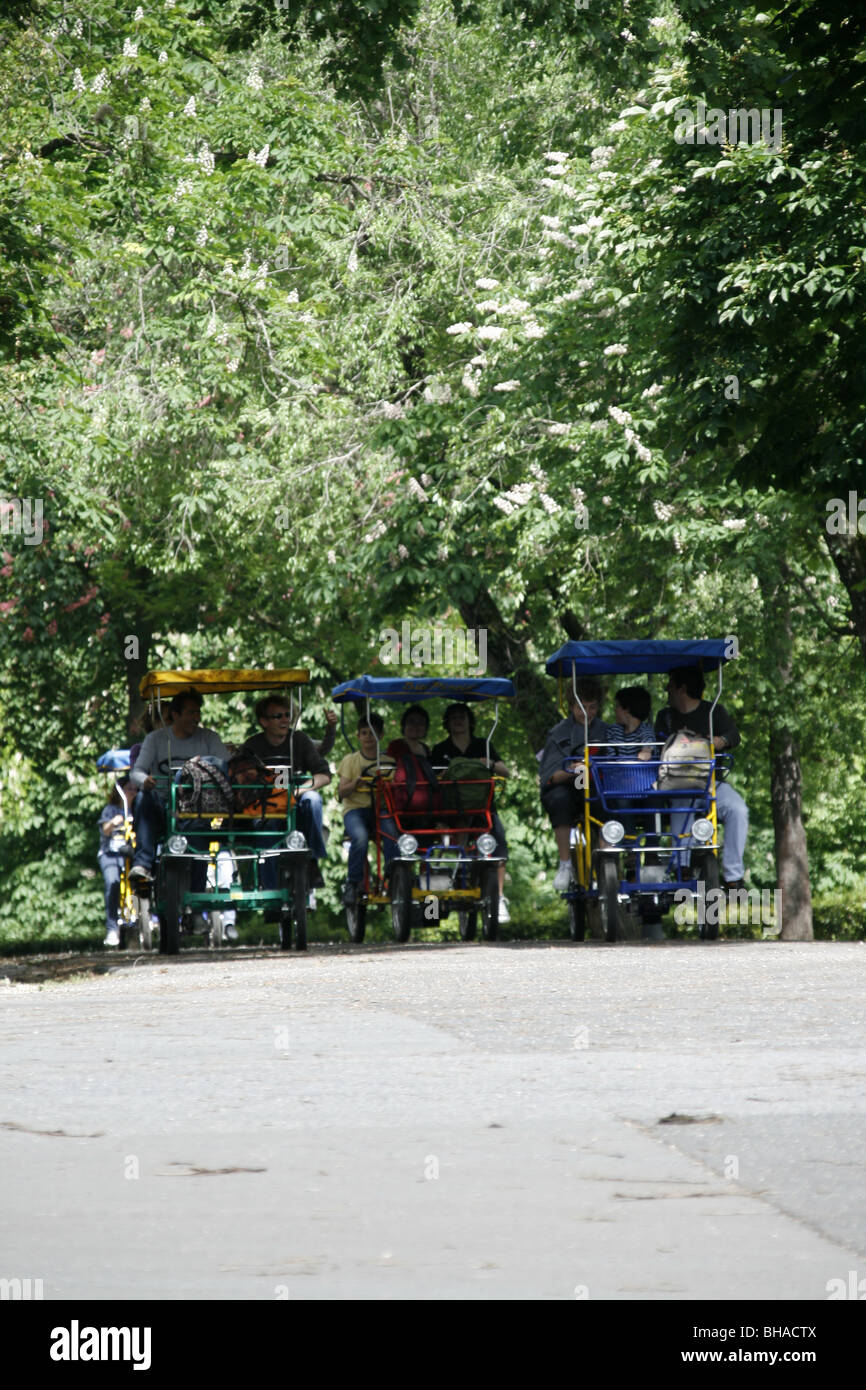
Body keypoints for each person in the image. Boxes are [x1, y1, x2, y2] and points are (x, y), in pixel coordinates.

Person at [655, 666, 748, 888]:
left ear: (681, 688)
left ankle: (733, 875)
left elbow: (734, 736)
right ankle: (682, 866)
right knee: (681, 802)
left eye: (670, 684)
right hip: (677, 782)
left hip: (710, 782)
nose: (667, 689)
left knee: (738, 810)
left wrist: (719, 741)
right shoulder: (665, 717)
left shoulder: (713, 711)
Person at [128, 689, 231, 883]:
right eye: (190, 713)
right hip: (163, 803)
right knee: (143, 798)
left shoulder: (209, 738)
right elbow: (136, 772)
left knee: (199, 827)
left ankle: (197, 894)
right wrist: (145, 781)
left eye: (198, 713)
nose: (196, 718)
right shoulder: (155, 739)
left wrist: (208, 764)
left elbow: (228, 767)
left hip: (196, 805)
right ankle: (143, 863)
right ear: (175, 715)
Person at [241, 695, 332, 907]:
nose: (285, 720)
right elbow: (241, 780)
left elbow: (324, 775)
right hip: (267, 809)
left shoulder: (299, 740)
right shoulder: (252, 746)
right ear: (264, 721)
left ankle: (312, 860)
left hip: (294, 805)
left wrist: (299, 790)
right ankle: (271, 895)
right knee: (265, 830)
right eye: (278, 716)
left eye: (287, 715)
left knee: (314, 799)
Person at [430, 702, 511, 923]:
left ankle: (500, 897)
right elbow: (431, 784)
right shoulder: (439, 750)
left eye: (462, 717)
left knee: (499, 844)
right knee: (432, 847)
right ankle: (433, 900)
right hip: (452, 811)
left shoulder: (483, 745)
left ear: (469, 721)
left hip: (483, 809)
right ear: (447, 722)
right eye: (453, 717)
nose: (458, 720)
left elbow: (506, 772)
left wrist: (489, 763)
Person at [539, 678, 607, 891]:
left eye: (592, 707)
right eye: (581, 707)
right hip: (568, 785)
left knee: (609, 800)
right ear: (571, 706)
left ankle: (607, 859)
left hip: (597, 785)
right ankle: (565, 864)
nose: (587, 713)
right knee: (559, 800)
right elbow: (549, 776)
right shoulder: (559, 733)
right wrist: (573, 769)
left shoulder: (606, 731)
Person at [337, 713, 398, 904]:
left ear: (380, 735)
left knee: (392, 833)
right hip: (355, 809)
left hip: (381, 808)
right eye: (364, 733)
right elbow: (341, 792)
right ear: (358, 736)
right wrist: (356, 783)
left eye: (372, 733)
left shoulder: (389, 761)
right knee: (360, 837)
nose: (368, 737)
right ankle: (353, 882)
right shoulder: (350, 760)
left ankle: (394, 873)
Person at [97, 784, 130, 947]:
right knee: (112, 882)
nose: (133, 792)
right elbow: (105, 830)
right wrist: (113, 822)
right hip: (111, 854)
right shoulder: (111, 809)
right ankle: (111, 928)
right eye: (130, 789)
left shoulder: (139, 809)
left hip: (131, 854)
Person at [605, 687, 656, 759]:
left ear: (627, 709)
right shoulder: (613, 731)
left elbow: (648, 743)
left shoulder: (645, 729)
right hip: (617, 770)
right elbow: (610, 758)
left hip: (640, 769)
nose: (615, 710)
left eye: (617, 705)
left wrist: (646, 751)